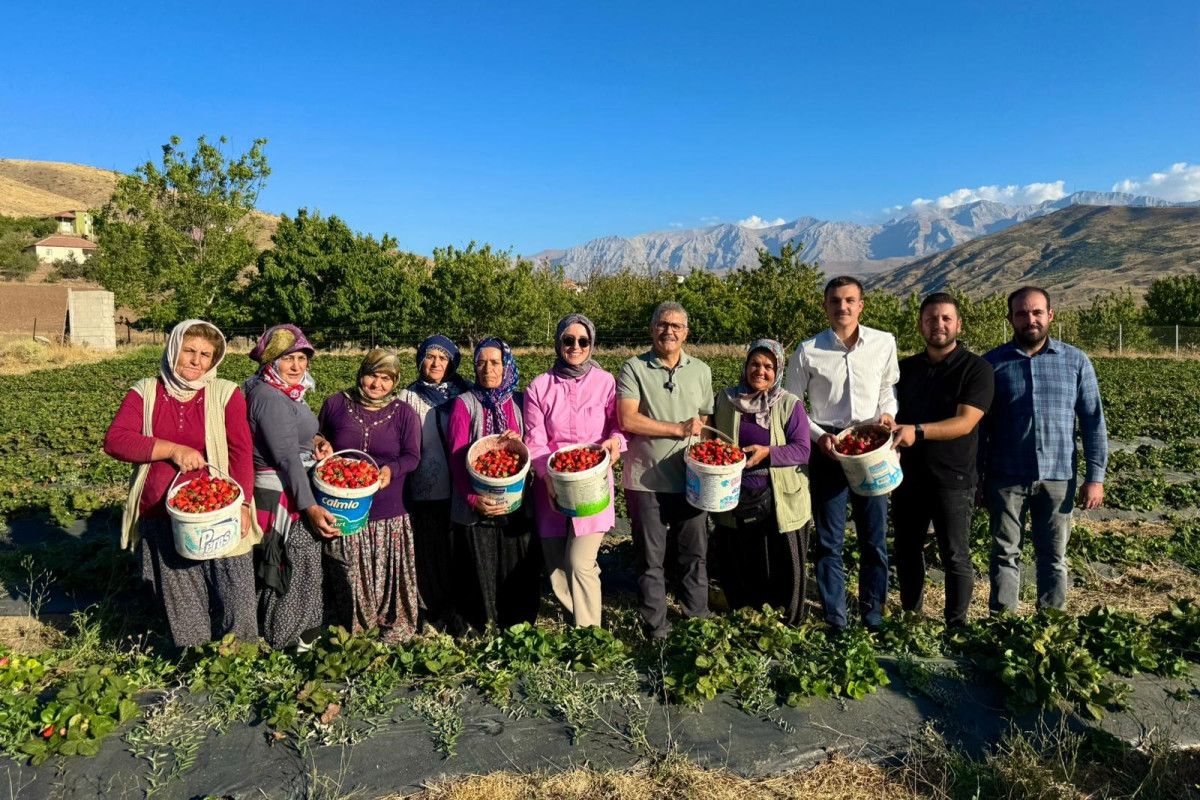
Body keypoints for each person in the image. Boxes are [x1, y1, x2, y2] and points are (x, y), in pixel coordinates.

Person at [104, 319, 258, 648]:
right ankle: (194, 659)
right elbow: (116, 440)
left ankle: (240, 657)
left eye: (205, 354)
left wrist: (243, 504)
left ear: (214, 360)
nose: (195, 360)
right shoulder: (146, 392)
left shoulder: (225, 393)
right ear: (173, 349)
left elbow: (241, 452)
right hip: (163, 513)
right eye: (189, 350)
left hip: (220, 509)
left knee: (237, 592)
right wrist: (172, 450)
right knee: (182, 600)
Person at [981, 286, 1107, 613]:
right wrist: (978, 478)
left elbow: (1093, 421)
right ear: (1010, 319)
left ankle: (1051, 624)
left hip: (1058, 477)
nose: (1030, 320)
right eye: (1022, 313)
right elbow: (980, 428)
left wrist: (1095, 477)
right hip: (1005, 476)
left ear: (1050, 315)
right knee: (1005, 553)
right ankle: (1003, 623)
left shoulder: (1076, 361)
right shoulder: (991, 364)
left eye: (1037, 312)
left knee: (1054, 556)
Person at [784, 276, 898, 632]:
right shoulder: (808, 350)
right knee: (829, 540)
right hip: (829, 447)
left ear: (861, 305)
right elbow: (792, 405)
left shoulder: (883, 342)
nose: (842, 307)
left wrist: (888, 413)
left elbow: (887, 389)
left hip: (869, 445)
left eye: (849, 300)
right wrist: (819, 437)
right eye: (835, 301)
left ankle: (873, 615)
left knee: (874, 538)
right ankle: (836, 619)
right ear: (826, 306)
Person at [890, 293, 994, 627]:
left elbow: (965, 422)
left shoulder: (976, 369)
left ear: (958, 324)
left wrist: (917, 431)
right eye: (931, 319)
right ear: (920, 325)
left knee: (954, 554)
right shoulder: (906, 370)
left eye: (946, 318)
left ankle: (955, 624)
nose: (939, 324)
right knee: (907, 549)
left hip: (953, 477)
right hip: (907, 476)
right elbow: (891, 411)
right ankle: (912, 615)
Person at [616, 302, 714, 640]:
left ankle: (696, 618)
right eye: (662, 324)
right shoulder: (634, 368)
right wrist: (677, 429)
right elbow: (627, 418)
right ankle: (656, 626)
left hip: (691, 479)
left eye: (676, 326)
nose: (668, 331)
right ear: (652, 328)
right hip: (646, 479)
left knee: (694, 553)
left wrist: (706, 458)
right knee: (650, 557)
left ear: (686, 332)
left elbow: (706, 419)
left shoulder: (701, 370)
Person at [524, 314, 625, 628]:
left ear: (592, 344)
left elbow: (618, 426)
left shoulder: (606, 382)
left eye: (583, 341)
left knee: (580, 561)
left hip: (592, 481)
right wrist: (546, 476)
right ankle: (575, 613)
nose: (576, 346)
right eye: (569, 340)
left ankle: (590, 631)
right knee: (556, 564)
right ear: (559, 343)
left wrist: (615, 442)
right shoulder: (539, 387)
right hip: (552, 481)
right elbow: (535, 439)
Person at [243, 324, 338, 650]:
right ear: (271, 361)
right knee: (289, 564)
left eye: (301, 358)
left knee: (300, 561)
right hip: (281, 493)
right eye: (288, 359)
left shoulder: (287, 391)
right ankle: (284, 637)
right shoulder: (269, 397)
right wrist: (310, 507)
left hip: (293, 486)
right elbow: (286, 458)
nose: (297, 366)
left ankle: (300, 633)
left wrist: (318, 441)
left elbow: (297, 436)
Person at [318, 348, 422, 643]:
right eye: (372, 376)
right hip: (344, 505)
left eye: (386, 379)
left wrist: (391, 469)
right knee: (349, 569)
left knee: (388, 571)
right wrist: (319, 443)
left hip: (389, 508)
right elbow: (319, 435)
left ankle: (391, 622)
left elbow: (413, 456)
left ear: (395, 381)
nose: (377, 384)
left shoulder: (404, 413)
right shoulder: (337, 404)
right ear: (361, 373)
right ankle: (353, 625)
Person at [710, 339, 812, 625]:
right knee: (741, 562)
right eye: (755, 363)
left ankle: (784, 624)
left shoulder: (789, 404)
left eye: (769, 366)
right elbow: (713, 437)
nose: (761, 371)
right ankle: (746, 619)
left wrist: (769, 453)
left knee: (782, 564)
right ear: (745, 366)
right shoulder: (727, 400)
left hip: (779, 497)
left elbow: (802, 450)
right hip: (735, 495)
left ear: (778, 371)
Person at [447, 337, 540, 629]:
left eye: (495, 362)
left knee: (515, 562)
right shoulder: (464, 404)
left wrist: (520, 441)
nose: (488, 369)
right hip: (476, 502)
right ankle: (482, 625)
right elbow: (456, 457)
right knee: (480, 565)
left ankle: (517, 626)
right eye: (481, 362)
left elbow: (535, 444)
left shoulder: (520, 401)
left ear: (506, 365)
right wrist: (472, 499)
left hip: (516, 500)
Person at [398, 335, 472, 633]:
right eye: (430, 357)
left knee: (459, 550)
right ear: (420, 360)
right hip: (426, 487)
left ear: (452, 362)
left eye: (443, 358)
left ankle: (461, 612)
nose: (436, 363)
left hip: (462, 486)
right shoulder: (407, 397)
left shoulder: (465, 393)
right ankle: (434, 611)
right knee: (430, 552)